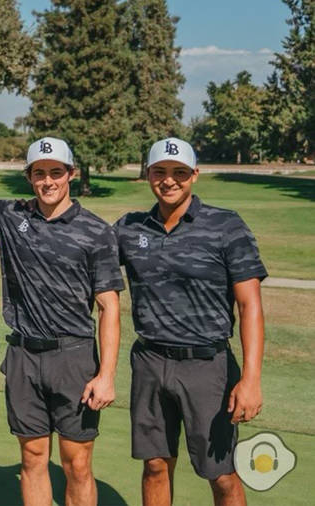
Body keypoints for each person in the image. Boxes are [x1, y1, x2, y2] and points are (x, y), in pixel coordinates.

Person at [0, 126, 123, 506]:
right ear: (28, 177)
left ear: (71, 174)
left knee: (77, 465)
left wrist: (106, 375)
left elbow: (109, 306)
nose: (48, 181)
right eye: (39, 173)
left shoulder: (96, 231)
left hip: (74, 357)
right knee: (32, 458)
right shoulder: (12, 215)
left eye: (56, 172)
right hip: (24, 357)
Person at [115, 138, 266, 506]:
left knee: (221, 473)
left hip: (208, 366)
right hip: (149, 362)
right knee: (154, 465)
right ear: (148, 174)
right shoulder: (130, 228)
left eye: (179, 172)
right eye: (160, 172)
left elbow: (250, 307)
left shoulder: (226, 226)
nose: (169, 181)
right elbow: (81, 255)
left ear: (194, 175)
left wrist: (250, 379)